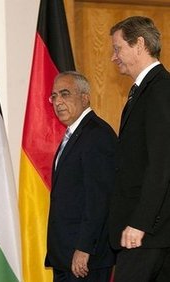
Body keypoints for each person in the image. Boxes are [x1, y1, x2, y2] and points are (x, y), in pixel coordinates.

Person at [109, 16, 170, 282]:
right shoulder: (144, 90)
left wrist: (140, 222)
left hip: (147, 235)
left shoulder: (160, 90)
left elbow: (162, 163)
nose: (114, 57)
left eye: (118, 48)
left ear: (139, 44)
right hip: (148, 234)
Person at [45, 71, 117, 282]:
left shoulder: (97, 135)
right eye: (54, 96)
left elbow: (99, 200)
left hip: (84, 259)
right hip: (66, 256)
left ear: (84, 97)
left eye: (65, 94)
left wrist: (84, 248)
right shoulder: (76, 134)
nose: (58, 102)